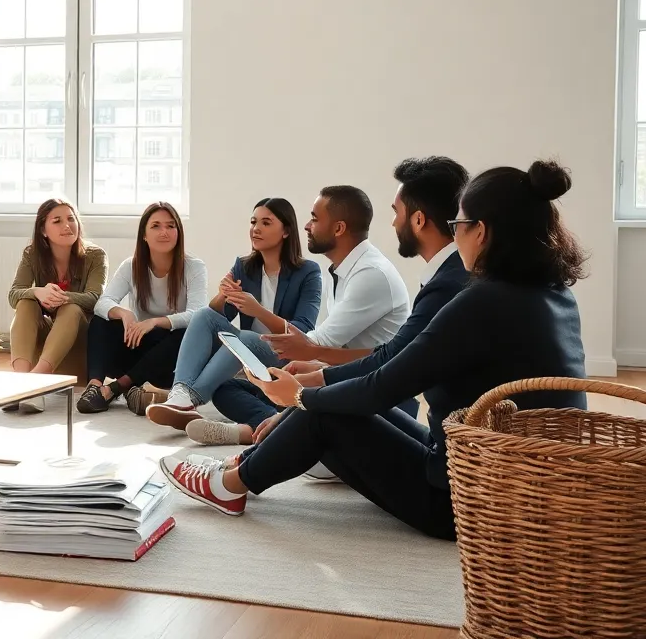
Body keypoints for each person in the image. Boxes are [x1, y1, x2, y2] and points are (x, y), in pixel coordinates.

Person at [158, 160, 591, 541]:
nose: (458, 239)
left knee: (327, 412)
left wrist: (302, 397)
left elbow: (385, 382)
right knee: (338, 403)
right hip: (513, 489)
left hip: (465, 503)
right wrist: (311, 385)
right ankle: (246, 458)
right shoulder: (552, 293)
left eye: (460, 226)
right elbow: (392, 362)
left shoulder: (480, 297)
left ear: (482, 231)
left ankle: (230, 485)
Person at [189, 158, 470, 447]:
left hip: (375, 394)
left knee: (301, 397)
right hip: (350, 378)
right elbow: (326, 348)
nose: (307, 226)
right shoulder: (339, 270)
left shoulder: (372, 274)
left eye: (313, 218)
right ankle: (257, 426)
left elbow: (343, 348)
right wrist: (313, 369)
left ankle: (240, 452)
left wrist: (311, 370)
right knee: (229, 388)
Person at [144, 198, 321, 431]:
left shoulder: (308, 271)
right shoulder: (244, 266)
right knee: (203, 316)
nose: (256, 228)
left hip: (284, 355)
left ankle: (191, 399)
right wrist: (222, 295)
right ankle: (181, 391)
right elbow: (219, 315)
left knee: (245, 337)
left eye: (266, 223)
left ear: (286, 231)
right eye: (253, 221)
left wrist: (258, 310)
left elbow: (303, 329)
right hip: (246, 353)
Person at [79, 202, 208, 415]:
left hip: (169, 360)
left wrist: (156, 322)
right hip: (137, 349)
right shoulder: (132, 265)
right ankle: (94, 387)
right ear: (144, 235)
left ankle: (117, 387)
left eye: (171, 226)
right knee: (102, 320)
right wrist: (124, 313)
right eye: (156, 226)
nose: (164, 232)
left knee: (190, 333)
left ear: (178, 233)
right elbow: (103, 302)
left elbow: (198, 313)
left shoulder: (194, 267)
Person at [5, 198, 108, 414]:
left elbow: (96, 299)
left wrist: (62, 297)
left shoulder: (95, 256)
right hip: (46, 346)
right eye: (57, 221)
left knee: (71, 308)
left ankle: (34, 383)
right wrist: (37, 292)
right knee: (26, 302)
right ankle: (21, 381)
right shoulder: (32, 254)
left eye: (71, 219)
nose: (67, 225)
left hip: (77, 348)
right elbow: (14, 294)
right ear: (43, 229)